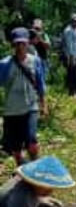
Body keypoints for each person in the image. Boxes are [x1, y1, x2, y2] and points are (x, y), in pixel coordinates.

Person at [0, 29, 47, 166]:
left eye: (23, 43)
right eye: (17, 44)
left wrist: (44, 105)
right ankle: (20, 167)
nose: (20, 47)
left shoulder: (35, 61)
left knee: (31, 139)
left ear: (28, 43)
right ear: (13, 45)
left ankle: (36, 165)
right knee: (16, 144)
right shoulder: (4, 64)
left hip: (30, 107)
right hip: (12, 109)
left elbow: (40, 84)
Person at [62, 13, 76, 96]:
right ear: (72, 21)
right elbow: (69, 45)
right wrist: (71, 57)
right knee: (71, 74)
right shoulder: (68, 31)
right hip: (71, 56)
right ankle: (71, 92)